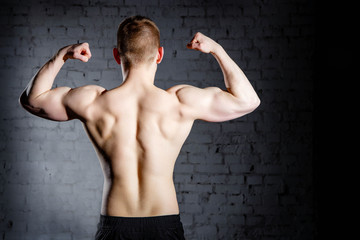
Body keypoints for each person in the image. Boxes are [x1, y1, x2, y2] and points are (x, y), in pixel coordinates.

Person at [19, 15, 260, 240]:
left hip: (115, 224)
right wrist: (216, 50)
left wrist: (62, 55)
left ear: (117, 55)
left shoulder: (93, 101)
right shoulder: (180, 102)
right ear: (159, 55)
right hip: (165, 223)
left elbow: (32, 100)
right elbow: (248, 101)